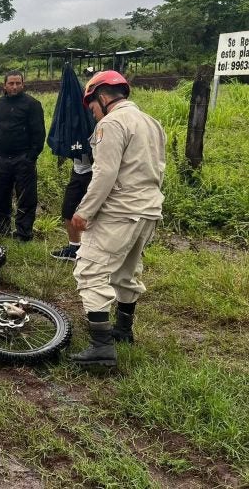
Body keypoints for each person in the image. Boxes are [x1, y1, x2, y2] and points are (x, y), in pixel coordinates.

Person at [70, 71, 166, 367]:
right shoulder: (152, 122)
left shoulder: (110, 123)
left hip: (120, 212)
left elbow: (105, 173)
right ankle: (123, 330)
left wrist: (84, 211)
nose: (92, 112)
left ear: (102, 96)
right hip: (148, 209)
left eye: (92, 106)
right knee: (126, 271)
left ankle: (101, 348)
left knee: (90, 271)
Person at [0, 70, 45, 241]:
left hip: (23, 158)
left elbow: (39, 133)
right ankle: (1, 227)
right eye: (11, 83)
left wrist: (31, 156)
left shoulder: (32, 104)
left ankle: (23, 233)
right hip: (1, 158)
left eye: (18, 83)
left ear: (23, 84)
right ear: (4, 85)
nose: (14, 86)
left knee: (26, 197)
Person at [50, 154, 93, 261]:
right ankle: (74, 248)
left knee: (95, 211)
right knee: (68, 209)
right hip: (78, 171)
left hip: (96, 171)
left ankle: (93, 250)